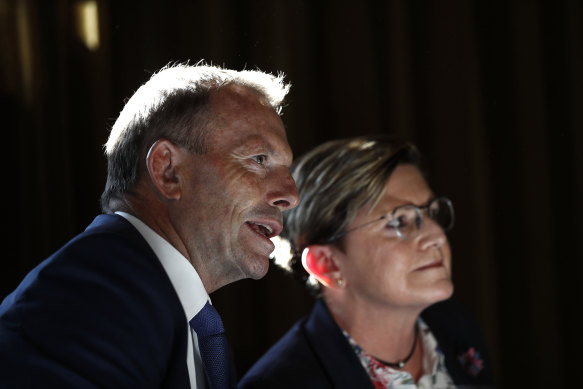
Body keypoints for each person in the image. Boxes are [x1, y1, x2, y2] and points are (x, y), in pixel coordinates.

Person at [0, 63, 299, 389]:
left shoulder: (182, 315)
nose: (291, 195)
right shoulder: (94, 296)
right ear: (168, 170)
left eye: (286, 169)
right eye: (258, 159)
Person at [239, 135, 495, 388]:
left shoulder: (455, 327)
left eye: (432, 213)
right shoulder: (280, 384)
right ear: (327, 265)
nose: (437, 236)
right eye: (399, 221)